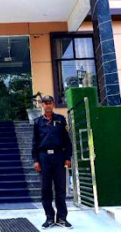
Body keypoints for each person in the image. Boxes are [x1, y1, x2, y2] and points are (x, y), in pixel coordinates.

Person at [32, 95, 73, 229]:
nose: (47, 105)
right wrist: (36, 160)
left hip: (59, 157)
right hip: (44, 158)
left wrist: (68, 157)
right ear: (42, 105)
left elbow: (67, 142)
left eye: (50, 103)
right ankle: (49, 218)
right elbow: (34, 143)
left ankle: (61, 218)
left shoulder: (61, 120)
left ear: (53, 104)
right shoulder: (38, 122)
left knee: (60, 189)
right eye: (45, 103)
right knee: (45, 189)